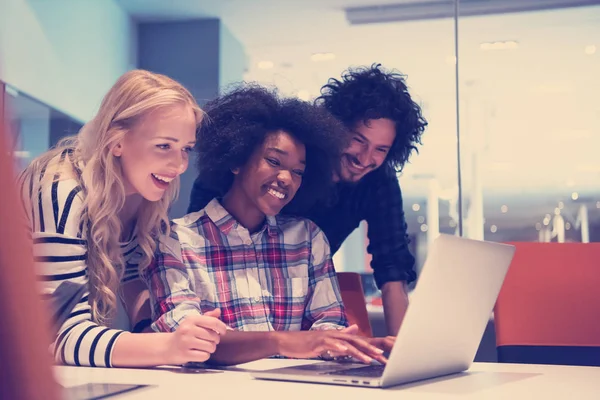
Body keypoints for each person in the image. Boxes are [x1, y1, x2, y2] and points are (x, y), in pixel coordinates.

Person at [144, 85, 393, 365]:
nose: (287, 178)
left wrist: (354, 346)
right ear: (237, 159)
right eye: (274, 161)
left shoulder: (308, 238)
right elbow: (186, 341)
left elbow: (328, 324)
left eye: (298, 171)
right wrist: (282, 339)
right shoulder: (174, 240)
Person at [189, 64, 427, 336]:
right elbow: (200, 246)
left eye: (380, 149)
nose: (364, 158)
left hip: (307, 300)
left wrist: (401, 351)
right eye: (358, 140)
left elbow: (392, 266)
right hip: (232, 292)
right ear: (334, 128)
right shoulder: (295, 158)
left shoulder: (375, 185)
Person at [18, 69, 227, 368]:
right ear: (117, 142)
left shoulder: (142, 189)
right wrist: (167, 346)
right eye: (164, 146)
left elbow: (131, 277)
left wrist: (153, 330)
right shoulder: (60, 192)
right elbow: (57, 335)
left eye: (186, 149)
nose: (179, 165)